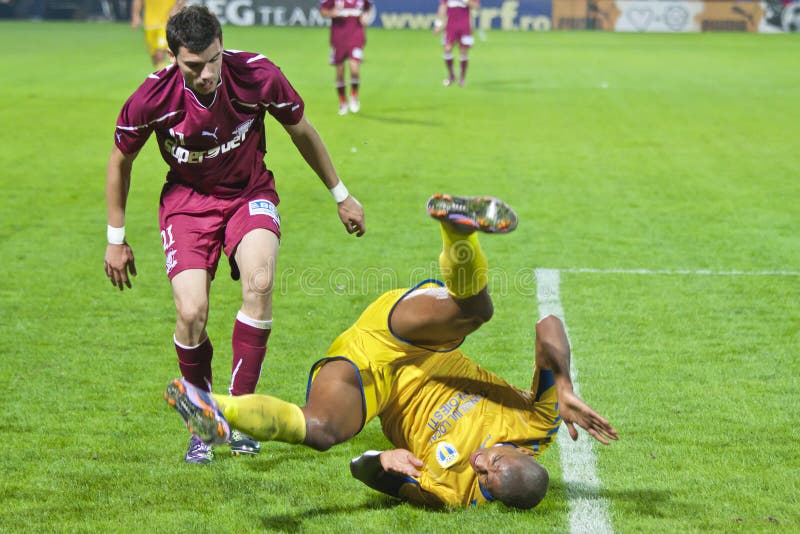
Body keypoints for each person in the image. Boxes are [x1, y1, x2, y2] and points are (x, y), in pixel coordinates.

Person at [165, 194, 618, 508]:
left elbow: (361, 468)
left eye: (485, 482)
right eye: (496, 461)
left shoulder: (448, 492)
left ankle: (211, 407)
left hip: (372, 379)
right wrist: (563, 384)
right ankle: (457, 229)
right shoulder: (538, 424)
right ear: (522, 456)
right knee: (476, 310)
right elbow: (549, 326)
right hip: (418, 341)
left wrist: (384, 461)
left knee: (322, 431)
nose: (479, 465)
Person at [105, 5, 366, 464]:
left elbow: (301, 130)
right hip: (187, 205)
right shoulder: (151, 98)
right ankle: (204, 425)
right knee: (191, 312)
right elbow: (120, 159)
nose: (206, 73)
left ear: (222, 46)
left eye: (213, 60)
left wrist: (341, 194)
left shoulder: (258, 75)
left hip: (249, 193)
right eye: (193, 65)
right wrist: (115, 236)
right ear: (173, 58)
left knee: (260, 283)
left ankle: (240, 415)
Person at [318, 0, 372, 115]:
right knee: (340, 72)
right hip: (338, 39)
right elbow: (322, 11)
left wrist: (365, 17)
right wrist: (331, 13)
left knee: (354, 69)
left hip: (356, 37)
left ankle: (354, 95)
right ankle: (342, 102)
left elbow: (368, 8)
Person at [433, 0, 479, 87]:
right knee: (447, 49)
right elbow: (442, 7)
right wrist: (438, 24)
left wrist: (466, 1)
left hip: (465, 24)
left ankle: (462, 78)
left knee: (463, 51)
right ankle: (451, 75)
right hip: (451, 24)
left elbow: (476, 6)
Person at [131, 0, 186, 70]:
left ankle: (166, 78)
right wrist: (135, 15)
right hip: (149, 24)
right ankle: (164, 74)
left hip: (166, 21)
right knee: (155, 59)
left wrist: (177, 7)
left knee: (160, 54)